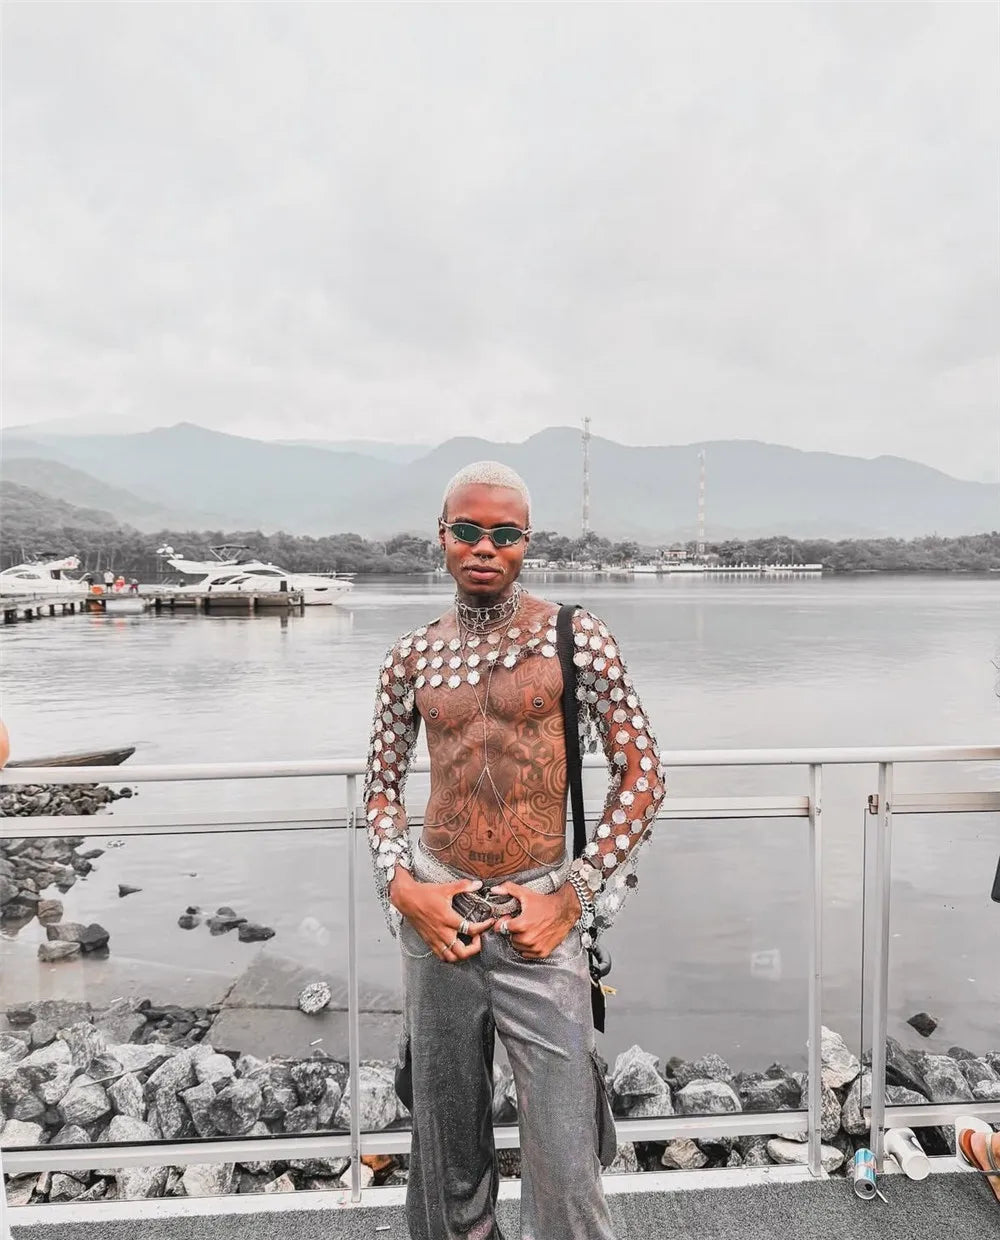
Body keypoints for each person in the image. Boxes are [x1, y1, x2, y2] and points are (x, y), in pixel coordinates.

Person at [363, 461, 665, 1240]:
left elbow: (643, 773)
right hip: (441, 918)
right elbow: (381, 787)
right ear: (442, 536)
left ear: (527, 543)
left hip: (541, 915)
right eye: (468, 530)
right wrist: (404, 889)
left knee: (565, 1158)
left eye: (504, 534)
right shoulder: (412, 655)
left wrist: (574, 897)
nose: (485, 547)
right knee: (445, 1148)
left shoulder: (574, 637)